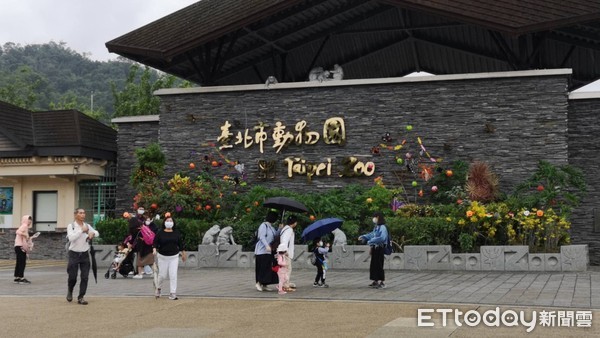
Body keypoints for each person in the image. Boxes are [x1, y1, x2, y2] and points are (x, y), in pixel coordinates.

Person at [66, 208, 99, 304]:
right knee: (73, 277)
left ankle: (81, 297)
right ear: (75, 215)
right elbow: (71, 238)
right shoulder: (71, 226)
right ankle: (70, 290)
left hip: (84, 254)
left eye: (84, 213)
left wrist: (92, 233)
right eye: (80, 213)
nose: (83, 215)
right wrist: (81, 230)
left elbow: (97, 233)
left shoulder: (87, 225)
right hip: (74, 254)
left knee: (85, 277)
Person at [153, 216, 186, 300]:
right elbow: (155, 243)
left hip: (174, 257)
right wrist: (154, 250)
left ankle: (173, 293)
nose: (169, 222)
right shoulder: (160, 233)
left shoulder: (176, 233)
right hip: (162, 257)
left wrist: (183, 253)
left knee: (173, 274)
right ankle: (158, 288)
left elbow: (180, 244)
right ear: (164, 222)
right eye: (167, 220)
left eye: (171, 220)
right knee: (162, 275)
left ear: (173, 223)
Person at [358, 211, 389, 289]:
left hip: (380, 248)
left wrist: (371, 241)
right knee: (374, 265)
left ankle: (382, 282)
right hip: (375, 248)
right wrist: (364, 236)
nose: (373, 219)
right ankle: (375, 281)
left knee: (379, 265)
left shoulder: (383, 227)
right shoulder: (376, 227)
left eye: (374, 217)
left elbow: (382, 238)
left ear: (378, 217)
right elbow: (372, 234)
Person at [253, 210, 280, 292]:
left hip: (268, 251)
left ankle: (264, 284)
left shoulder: (271, 227)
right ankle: (258, 282)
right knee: (262, 268)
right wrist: (266, 245)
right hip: (261, 251)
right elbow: (261, 237)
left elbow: (275, 235)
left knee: (267, 268)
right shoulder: (263, 225)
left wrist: (279, 229)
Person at [279, 215, 298, 290]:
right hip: (285, 253)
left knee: (285, 269)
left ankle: (285, 283)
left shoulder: (285, 228)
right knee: (287, 269)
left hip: (283, 252)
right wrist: (286, 251)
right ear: (294, 223)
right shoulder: (289, 230)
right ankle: (285, 286)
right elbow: (285, 241)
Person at [13, 215, 32, 284]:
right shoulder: (24, 226)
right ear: (25, 219)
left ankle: (17, 277)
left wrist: (28, 238)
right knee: (22, 262)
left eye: (31, 219)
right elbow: (17, 232)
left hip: (18, 246)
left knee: (19, 262)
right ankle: (21, 278)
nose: (30, 221)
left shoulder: (24, 226)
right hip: (20, 247)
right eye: (28, 219)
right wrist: (25, 235)